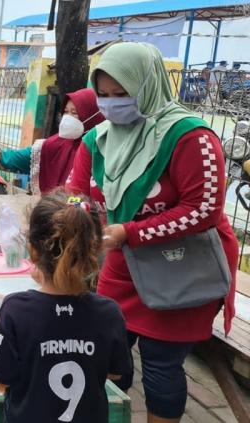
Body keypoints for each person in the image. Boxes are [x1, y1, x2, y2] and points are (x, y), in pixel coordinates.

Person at [67, 42, 238, 423]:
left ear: (147, 87)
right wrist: (82, 218)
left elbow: (203, 211)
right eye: (104, 95)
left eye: (122, 94)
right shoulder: (99, 140)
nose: (112, 104)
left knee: (161, 365)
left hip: (183, 269)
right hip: (123, 264)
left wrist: (129, 231)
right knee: (110, 356)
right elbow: (75, 196)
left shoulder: (190, 137)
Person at [0, 192, 132, 423]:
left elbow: (2, 380)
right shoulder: (109, 312)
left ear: (33, 250)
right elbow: (114, 373)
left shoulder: (16, 310)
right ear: (93, 251)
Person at [0, 88, 103, 194]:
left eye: (74, 113)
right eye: (65, 112)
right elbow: (6, 159)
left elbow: (88, 201)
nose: (67, 118)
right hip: (52, 221)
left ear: (91, 116)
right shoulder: (52, 146)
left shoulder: (102, 152)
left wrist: (67, 207)